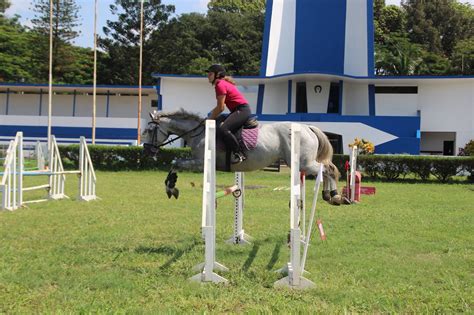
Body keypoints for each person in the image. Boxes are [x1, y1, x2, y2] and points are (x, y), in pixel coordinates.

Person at [206, 64, 251, 164]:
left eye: (210, 73)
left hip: (242, 110)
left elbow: (220, 108)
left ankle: (239, 153)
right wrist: (211, 117)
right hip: (238, 110)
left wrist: (209, 119)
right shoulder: (222, 83)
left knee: (224, 128)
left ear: (218, 75)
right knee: (218, 120)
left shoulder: (220, 85)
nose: (208, 76)